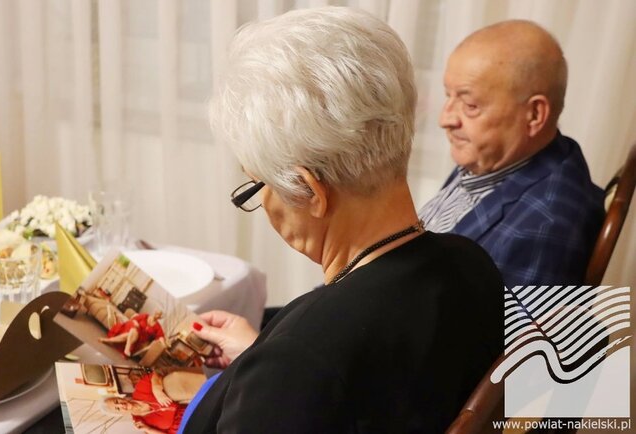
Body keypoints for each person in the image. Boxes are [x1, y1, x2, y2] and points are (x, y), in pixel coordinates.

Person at [180, 7, 503, 433]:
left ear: (310, 191)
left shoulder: (300, 361)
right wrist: (263, 359)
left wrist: (276, 372)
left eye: (256, 185)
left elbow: (328, 370)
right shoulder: (472, 264)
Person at [418, 20, 604, 288]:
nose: (445, 119)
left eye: (470, 105)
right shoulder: (491, 156)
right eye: (449, 96)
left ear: (534, 115)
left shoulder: (542, 228)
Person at [102, 368, 206, 434]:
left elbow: (155, 373)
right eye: (117, 408)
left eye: (116, 401)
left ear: (119, 397)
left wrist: (157, 389)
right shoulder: (140, 422)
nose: (121, 405)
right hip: (189, 424)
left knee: (170, 384)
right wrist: (148, 429)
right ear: (119, 414)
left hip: (186, 401)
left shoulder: (139, 391)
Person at [99, 310, 165, 357]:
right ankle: (127, 349)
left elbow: (161, 337)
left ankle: (108, 340)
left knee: (131, 333)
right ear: (155, 312)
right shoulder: (145, 316)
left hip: (140, 338)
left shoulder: (157, 326)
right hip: (133, 329)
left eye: (159, 315)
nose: (157, 315)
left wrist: (163, 345)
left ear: (160, 317)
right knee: (134, 329)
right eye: (157, 313)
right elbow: (134, 319)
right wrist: (136, 323)